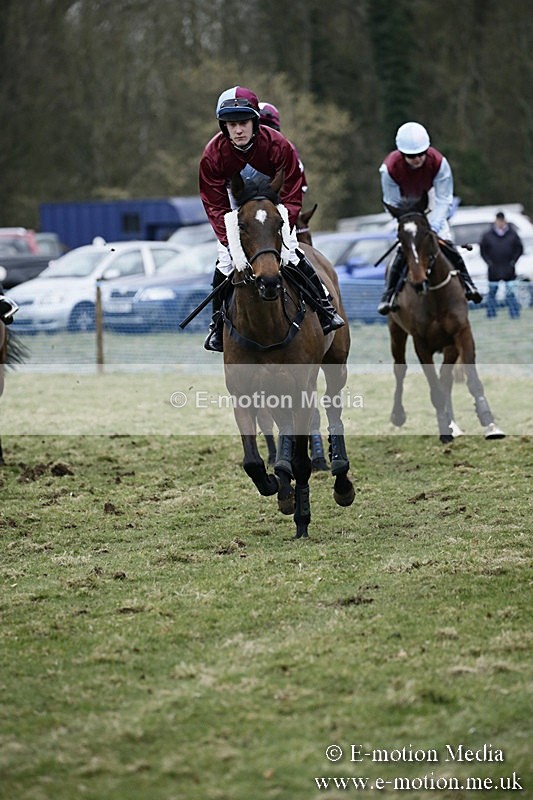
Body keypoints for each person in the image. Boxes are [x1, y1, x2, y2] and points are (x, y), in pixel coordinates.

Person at [199, 86, 343, 352]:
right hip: (235, 208)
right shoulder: (213, 154)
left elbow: (292, 189)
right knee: (226, 262)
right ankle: (218, 325)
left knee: (292, 255)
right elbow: (214, 203)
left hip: (275, 206)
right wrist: (230, 240)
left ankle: (324, 308)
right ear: (224, 126)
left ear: (255, 121)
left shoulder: (278, 145)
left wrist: (284, 226)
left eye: (243, 123)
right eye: (231, 125)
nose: (238, 130)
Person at [377, 121, 482, 314]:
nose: (417, 159)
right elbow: (391, 202)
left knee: (446, 241)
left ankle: (468, 284)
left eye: (420, 154)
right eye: (411, 156)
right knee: (406, 246)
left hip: (432, 200)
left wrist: (433, 226)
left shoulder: (439, 163)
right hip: (405, 207)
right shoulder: (389, 169)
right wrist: (408, 223)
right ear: (402, 154)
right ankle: (389, 294)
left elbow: (444, 198)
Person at [480, 211, 524, 319]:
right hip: (494, 269)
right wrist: (489, 262)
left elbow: (519, 248)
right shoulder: (487, 235)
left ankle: (514, 314)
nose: (500, 223)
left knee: (511, 293)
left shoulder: (513, 234)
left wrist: (513, 261)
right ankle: (491, 314)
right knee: (492, 293)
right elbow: (483, 250)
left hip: (509, 269)